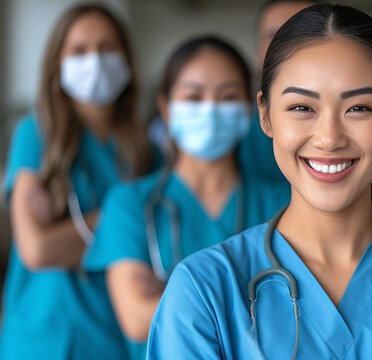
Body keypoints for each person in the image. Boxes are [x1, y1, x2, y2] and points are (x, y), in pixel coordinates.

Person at [147, 4, 372, 359]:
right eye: (301, 108)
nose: (329, 137)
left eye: (358, 108)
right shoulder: (203, 290)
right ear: (265, 116)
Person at [84, 35, 290, 360]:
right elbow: (137, 318)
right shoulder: (130, 203)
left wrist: (174, 298)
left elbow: (304, 311)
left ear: (253, 106)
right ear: (166, 108)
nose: (210, 109)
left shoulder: (284, 203)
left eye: (228, 96)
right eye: (193, 97)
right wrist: (253, 302)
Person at [1, 4, 155, 359]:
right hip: (45, 337)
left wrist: (68, 233)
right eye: (79, 50)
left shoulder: (145, 150)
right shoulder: (36, 135)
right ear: (57, 63)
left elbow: (155, 243)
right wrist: (122, 219)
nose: (95, 61)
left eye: (107, 48)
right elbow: (37, 250)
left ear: (128, 61)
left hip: (116, 336)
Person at [237, 0, 319, 184]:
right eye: (274, 36)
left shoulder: (359, 124)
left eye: (303, 34)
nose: (286, 48)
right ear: (258, 50)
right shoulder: (231, 126)